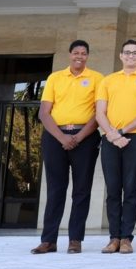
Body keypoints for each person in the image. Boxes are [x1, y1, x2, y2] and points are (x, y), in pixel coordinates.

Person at [31, 40, 103, 254]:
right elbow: (44, 113)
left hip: (85, 137)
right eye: (75, 52)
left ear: (87, 56)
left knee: (81, 190)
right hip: (55, 137)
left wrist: (78, 136)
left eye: (83, 53)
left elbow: (99, 113)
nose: (79, 56)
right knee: (55, 189)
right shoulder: (55, 78)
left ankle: (75, 240)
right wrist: (62, 137)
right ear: (70, 55)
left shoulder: (97, 78)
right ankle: (49, 240)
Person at [94, 40, 136, 254]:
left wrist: (122, 132)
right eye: (127, 53)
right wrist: (112, 135)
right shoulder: (108, 80)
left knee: (130, 189)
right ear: (121, 56)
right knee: (113, 189)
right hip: (110, 139)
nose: (131, 56)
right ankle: (113, 237)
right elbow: (99, 113)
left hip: (135, 139)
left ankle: (126, 238)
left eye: (135, 53)